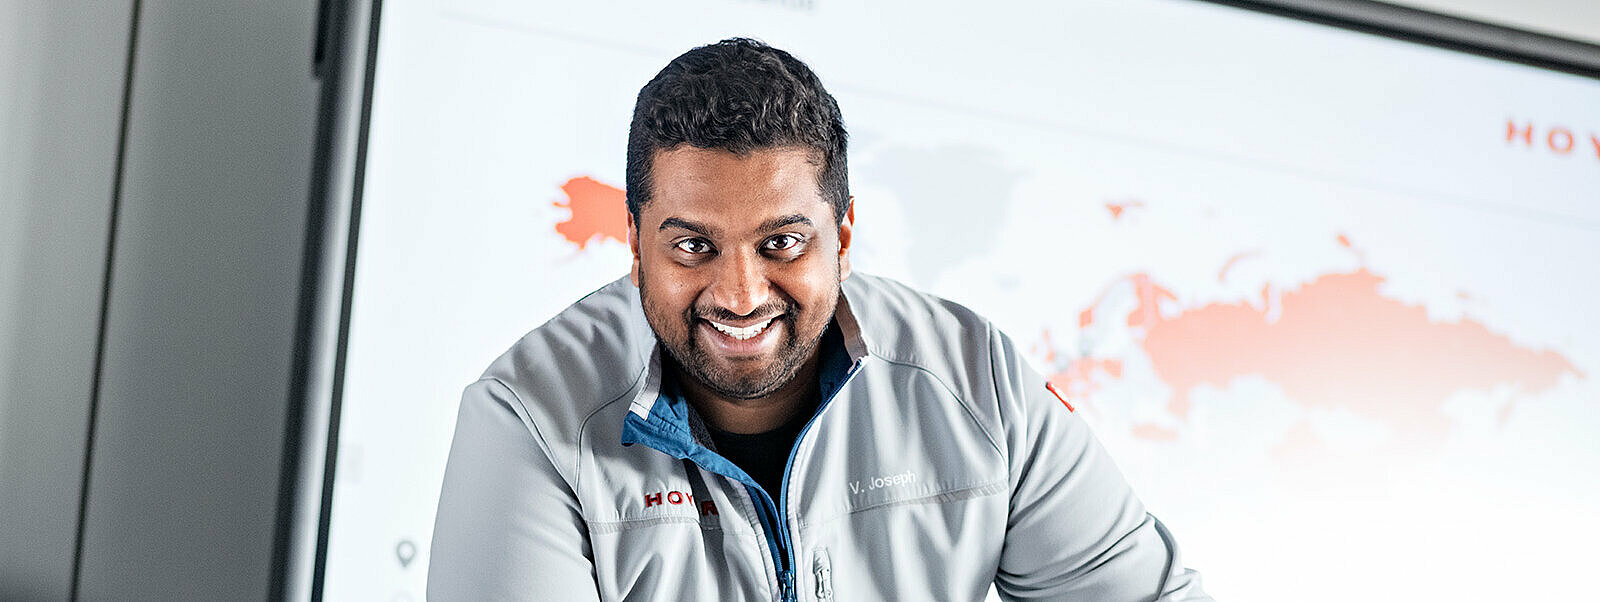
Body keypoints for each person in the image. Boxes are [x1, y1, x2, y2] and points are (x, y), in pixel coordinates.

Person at [428, 37, 1209, 601]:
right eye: (694, 245)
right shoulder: (525, 418)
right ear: (635, 246)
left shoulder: (979, 384)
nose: (738, 293)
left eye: (781, 243)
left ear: (840, 237)